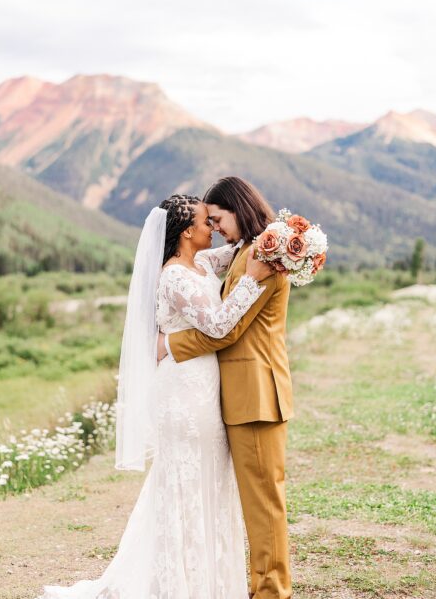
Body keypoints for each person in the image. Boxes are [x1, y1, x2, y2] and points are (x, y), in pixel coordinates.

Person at [40, 193, 275, 598]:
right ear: (187, 231)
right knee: (185, 478)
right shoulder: (174, 277)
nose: (213, 229)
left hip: (204, 387)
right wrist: (254, 279)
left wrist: (281, 240)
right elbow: (219, 324)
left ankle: (208, 579)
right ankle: (181, 584)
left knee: (208, 476)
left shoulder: (200, 263)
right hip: (183, 392)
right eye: (206, 222)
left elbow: (237, 251)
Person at [157, 176, 294, 599]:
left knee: (263, 505)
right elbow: (197, 267)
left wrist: (168, 344)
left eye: (218, 218)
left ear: (238, 209)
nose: (215, 227)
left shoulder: (263, 257)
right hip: (233, 393)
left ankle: (271, 592)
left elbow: (225, 333)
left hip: (255, 393)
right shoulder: (240, 252)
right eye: (208, 220)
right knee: (251, 503)